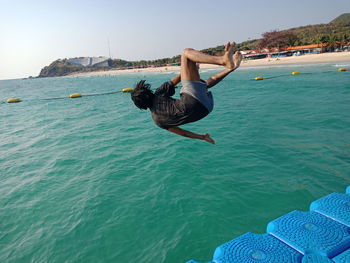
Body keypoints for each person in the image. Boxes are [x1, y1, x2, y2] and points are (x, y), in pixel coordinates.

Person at [131, 42, 243, 144]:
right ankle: (222, 60)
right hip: (191, 101)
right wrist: (190, 68)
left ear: (142, 106)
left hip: (205, 109)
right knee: (185, 53)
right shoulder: (158, 93)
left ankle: (230, 68)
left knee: (204, 85)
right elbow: (178, 78)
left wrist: (202, 137)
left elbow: (183, 133)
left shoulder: (157, 120)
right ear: (148, 92)